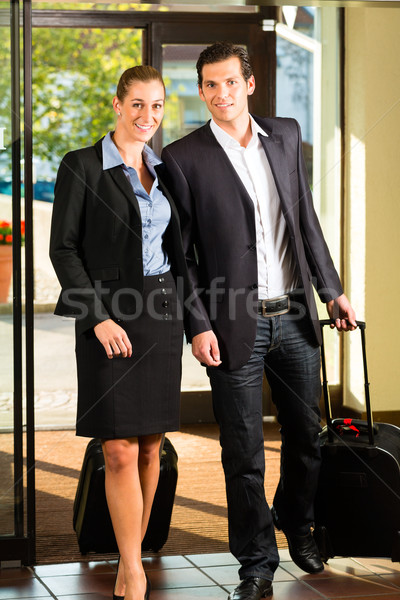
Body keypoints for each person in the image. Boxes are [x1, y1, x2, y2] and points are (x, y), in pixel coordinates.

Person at [161, 42, 357, 600]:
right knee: (242, 451)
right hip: (230, 324)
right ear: (200, 91)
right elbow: (183, 256)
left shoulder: (287, 134)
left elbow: (304, 218)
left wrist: (332, 290)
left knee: (307, 440)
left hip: (295, 315)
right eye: (209, 85)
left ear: (250, 84)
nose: (220, 94)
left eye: (229, 82)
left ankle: (296, 521)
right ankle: (256, 562)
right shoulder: (183, 157)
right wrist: (197, 325)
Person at [50, 66, 188, 600]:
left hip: (160, 312)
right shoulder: (82, 165)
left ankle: (138, 549)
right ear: (117, 104)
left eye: (156, 106)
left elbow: (179, 249)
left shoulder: (166, 170)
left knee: (152, 448)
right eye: (137, 104)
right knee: (119, 451)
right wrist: (99, 316)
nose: (147, 116)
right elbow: (63, 248)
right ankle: (130, 566)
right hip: (108, 317)